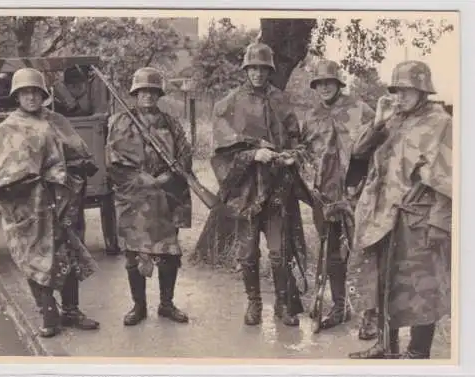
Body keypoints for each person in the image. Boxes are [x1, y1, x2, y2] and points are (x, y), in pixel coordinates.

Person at [196, 42, 311, 327]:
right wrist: (251, 155)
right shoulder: (229, 103)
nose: (258, 73)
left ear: (269, 70)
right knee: (247, 254)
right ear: (246, 69)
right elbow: (221, 151)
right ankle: (254, 302)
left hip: (277, 190)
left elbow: (297, 139)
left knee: (278, 252)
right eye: (253, 68)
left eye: (263, 68)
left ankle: (283, 305)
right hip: (246, 192)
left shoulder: (281, 100)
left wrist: (290, 157)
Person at [348, 60, 452, 359]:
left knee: (423, 286)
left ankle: (418, 353)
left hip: (419, 217)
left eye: (407, 89)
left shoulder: (441, 122)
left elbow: (451, 176)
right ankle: (385, 345)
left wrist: (440, 223)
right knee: (382, 280)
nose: (401, 95)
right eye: (397, 89)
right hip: (383, 215)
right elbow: (358, 153)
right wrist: (379, 120)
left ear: (423, 89)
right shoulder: (393, 120)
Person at [0, 68, 100, 338]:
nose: (31, 97)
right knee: (35, 256)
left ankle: (72, 310)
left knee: (68, 253)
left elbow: (81, 156)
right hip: (28, 206)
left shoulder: (58, 121)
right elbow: (0, 175)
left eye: (35, 91)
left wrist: (74, 172)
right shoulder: (7, 129)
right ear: (17, 96)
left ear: (43, 94)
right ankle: (48, 312)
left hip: (63, 202)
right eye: (25, 92)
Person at [105, 67, 193, 326]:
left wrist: (167, 177)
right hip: (135, 199)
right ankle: (139, 306)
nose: (148, 96)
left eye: (153, 91)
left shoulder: (171, 123)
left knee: (169, 255)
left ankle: (166, 304)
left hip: (167, 198)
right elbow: (114, 161)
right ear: (135, 93)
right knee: (134, 255)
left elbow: (185, 154)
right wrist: (142, 179)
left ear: (159, 94)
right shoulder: (121, 121)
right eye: (143, 91)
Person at [299, 59, 378, 336]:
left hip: (357, 197)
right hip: (325, 198)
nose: (324, 87)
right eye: (319, 83)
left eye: (328, 82)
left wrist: (362, 190)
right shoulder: (310, 116)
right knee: (332, 254)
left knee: (363, 254)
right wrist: (313, 187)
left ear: (338, 83)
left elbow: (379, 151)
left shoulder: (361, 110)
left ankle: (371, 314)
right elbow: (304, 154)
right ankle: (339, 307)